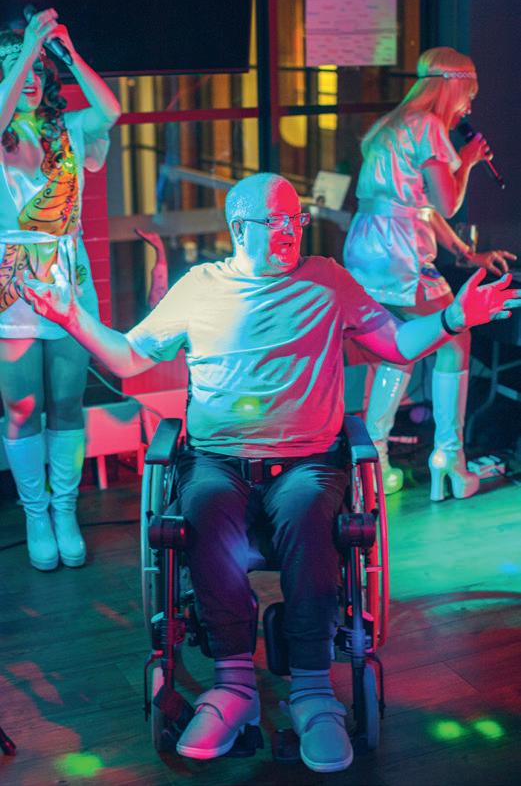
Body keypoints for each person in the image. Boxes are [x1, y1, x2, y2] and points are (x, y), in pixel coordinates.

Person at [18, 173, 519, 773]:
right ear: (239, 228)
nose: (290, 231)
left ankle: (312, 691)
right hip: (218, 460)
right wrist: (71, 317)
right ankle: (233, 686)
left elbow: (395, 344)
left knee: (310, 519)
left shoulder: (328, 279)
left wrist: (453, 318)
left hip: (307, 461)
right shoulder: (199, 287)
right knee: (204, 512)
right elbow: (128, 357)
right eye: (276, 221)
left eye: (295, 219)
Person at [343, 47, 516, 500]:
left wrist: (465, 253)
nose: (469, 109)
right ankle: (449, 459)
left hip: (368, 244)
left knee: (395, 346)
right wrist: (469, 160)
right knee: (456, 337)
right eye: (469, 96)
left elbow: (418, 206)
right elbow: (447, 203)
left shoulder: (390, 125)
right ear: (452, 88)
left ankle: (374, 461)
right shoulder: (428, 127)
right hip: (399, 252)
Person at [0, 8, 120, 571]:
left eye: (34, 69)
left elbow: (111, 111)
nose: (27, 77)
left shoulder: (68, 128)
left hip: (68, 276)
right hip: (12, 280)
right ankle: (36, 513)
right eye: (13, 68)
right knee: (23, 406)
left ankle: (65, 510)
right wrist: (27, 46)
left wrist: (65, 52)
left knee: (69, 401)